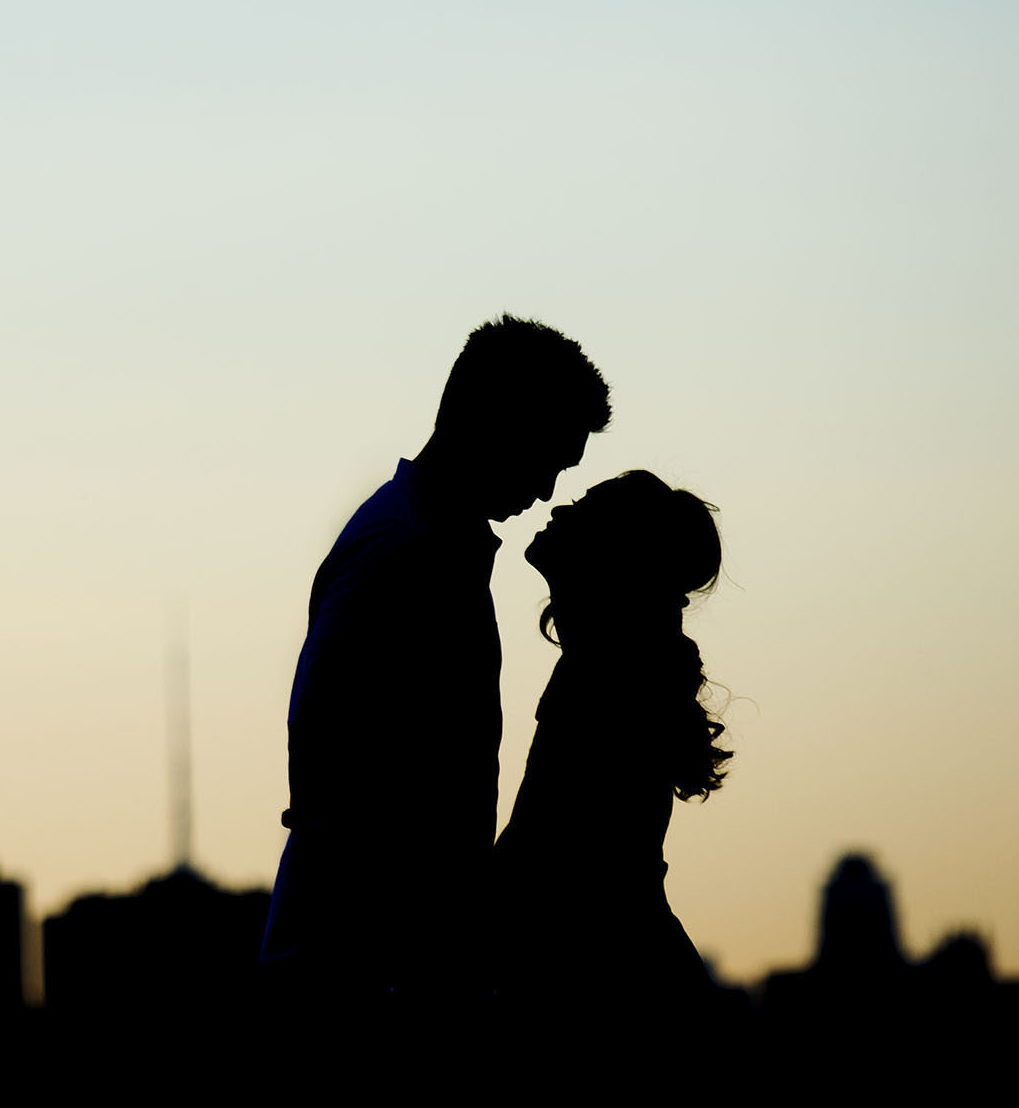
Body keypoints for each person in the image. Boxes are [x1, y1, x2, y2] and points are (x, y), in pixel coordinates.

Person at [260, 315, 611, 1027]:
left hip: (390, 970)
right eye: (546, 457)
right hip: (359, 980)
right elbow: (328, 767)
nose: (545, 491)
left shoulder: (429, 548)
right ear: (493, 419)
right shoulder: (399, 551)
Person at [490, 470, 729, 1041]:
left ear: (614, 557)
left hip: (596, 990)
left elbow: (550, 849)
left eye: (584, 508)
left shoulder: (608, 672)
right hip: (616, 976)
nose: (559, 511)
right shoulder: (618, 660)